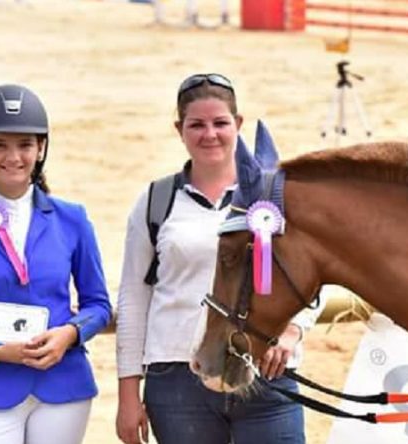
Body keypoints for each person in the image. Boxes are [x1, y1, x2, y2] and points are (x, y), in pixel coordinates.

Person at [115, 73, 322, 444]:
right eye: (196, 124)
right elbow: (133, 298)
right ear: (180, 129)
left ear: (238, 125)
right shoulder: (155, 201)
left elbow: (313, 272)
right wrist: (128, 394)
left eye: (220, 123)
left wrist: (292, 330)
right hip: (178, 381)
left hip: (265, 372)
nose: (209, 134)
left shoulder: (275, 196)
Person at [0, 84, 112, 444]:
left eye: (25, 145)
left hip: (63, 385)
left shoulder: (73, 220)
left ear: (41, 148)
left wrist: (69, 334)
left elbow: (98, 305)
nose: (14, 157)